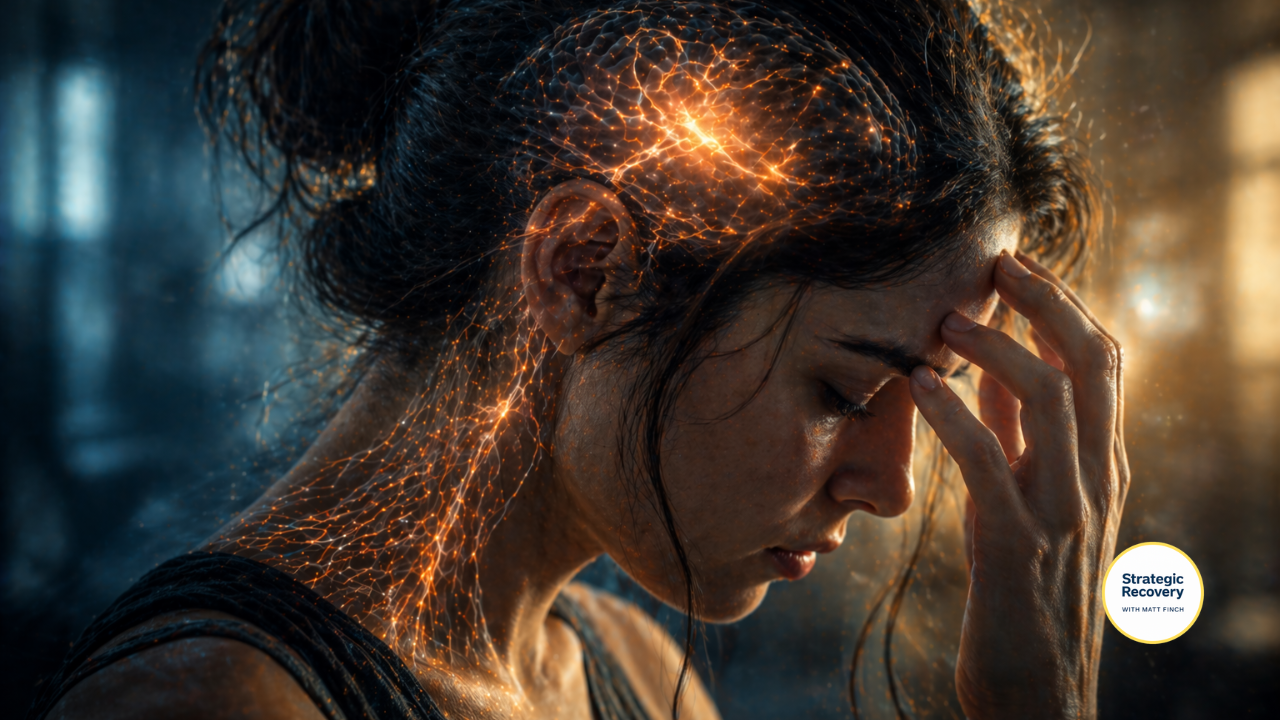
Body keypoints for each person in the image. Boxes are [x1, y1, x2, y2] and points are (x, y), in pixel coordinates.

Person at [32, 0, 1128, 718]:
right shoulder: (213, 706)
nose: (890, 488)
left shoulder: (637, 680)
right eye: (844, 391)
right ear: (580, 268)